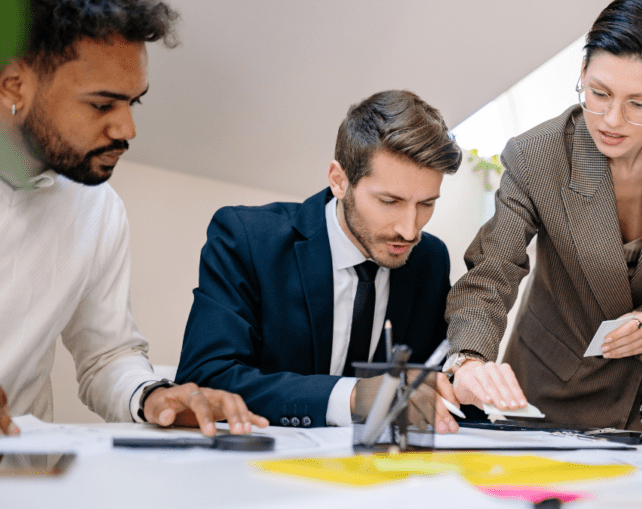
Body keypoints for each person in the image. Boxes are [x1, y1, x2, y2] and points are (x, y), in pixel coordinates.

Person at [444, 0, 642, 430]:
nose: (611, 120)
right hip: (547, 388)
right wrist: (468, 360)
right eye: (598, 94)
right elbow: (493, 270)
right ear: (582, 72)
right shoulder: (536, 156)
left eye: (639, 104)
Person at [0, 0, 267, 437]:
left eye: (132, 103)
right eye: (103, 105)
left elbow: (106, 355)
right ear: (14, 86)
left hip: (23, 478)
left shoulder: (96, 207)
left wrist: (153, 397)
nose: (127, 129)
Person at [176, 90, 465, 433]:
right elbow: (204, 377)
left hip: (384, 476)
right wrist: (351, 396)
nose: (409, 229)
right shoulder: (247, 239)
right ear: (339, 181)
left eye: (426, 204)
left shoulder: (430, 260)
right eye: (389, 201)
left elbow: (429, 384)